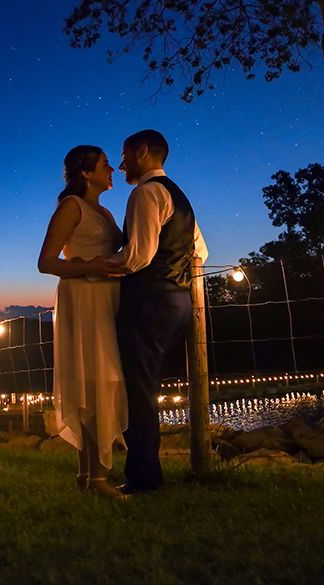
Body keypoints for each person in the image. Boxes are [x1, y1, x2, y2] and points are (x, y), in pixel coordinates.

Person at [103, 129, 208, 495]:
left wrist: (97, 265)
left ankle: (144, 478)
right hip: (179, 301)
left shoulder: (145, 192)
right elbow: (201, 253)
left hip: (148, 300)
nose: (121, 164)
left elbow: (138, 257)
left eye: (125, 155)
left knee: (139, 391)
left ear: (143, 152)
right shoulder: (180, 197)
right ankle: (147, 471)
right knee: (146, 387)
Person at [37, 145, 130, 499]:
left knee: (97, 380)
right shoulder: (71, 207)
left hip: (106, 297)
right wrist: (90, 266)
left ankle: (88, 475)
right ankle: (98, 477)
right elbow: (46, 262)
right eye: (105, 165)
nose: (112, 170)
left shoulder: (103, 211)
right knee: (97, 380)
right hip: (84, 298)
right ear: (86, 173)